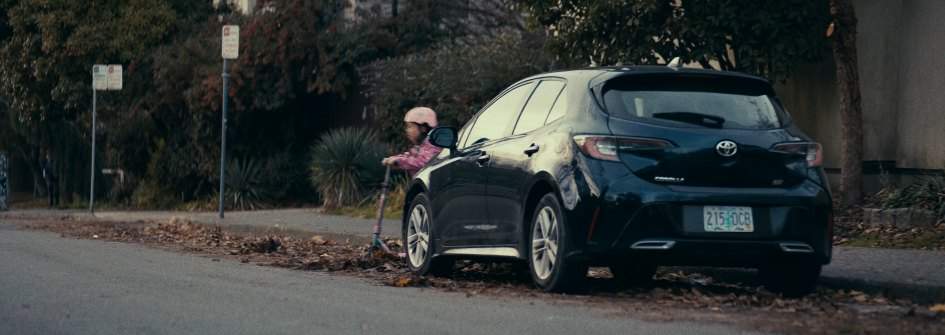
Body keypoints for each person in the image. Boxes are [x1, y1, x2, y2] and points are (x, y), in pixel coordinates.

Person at [381, 107, 442, 177]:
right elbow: (410, 156)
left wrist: (399, 161)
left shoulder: (433, 144)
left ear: (423, 129)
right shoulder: (421, 146)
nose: (407, 130)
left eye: (410, 127)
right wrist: (395, 158)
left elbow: (423, 162)